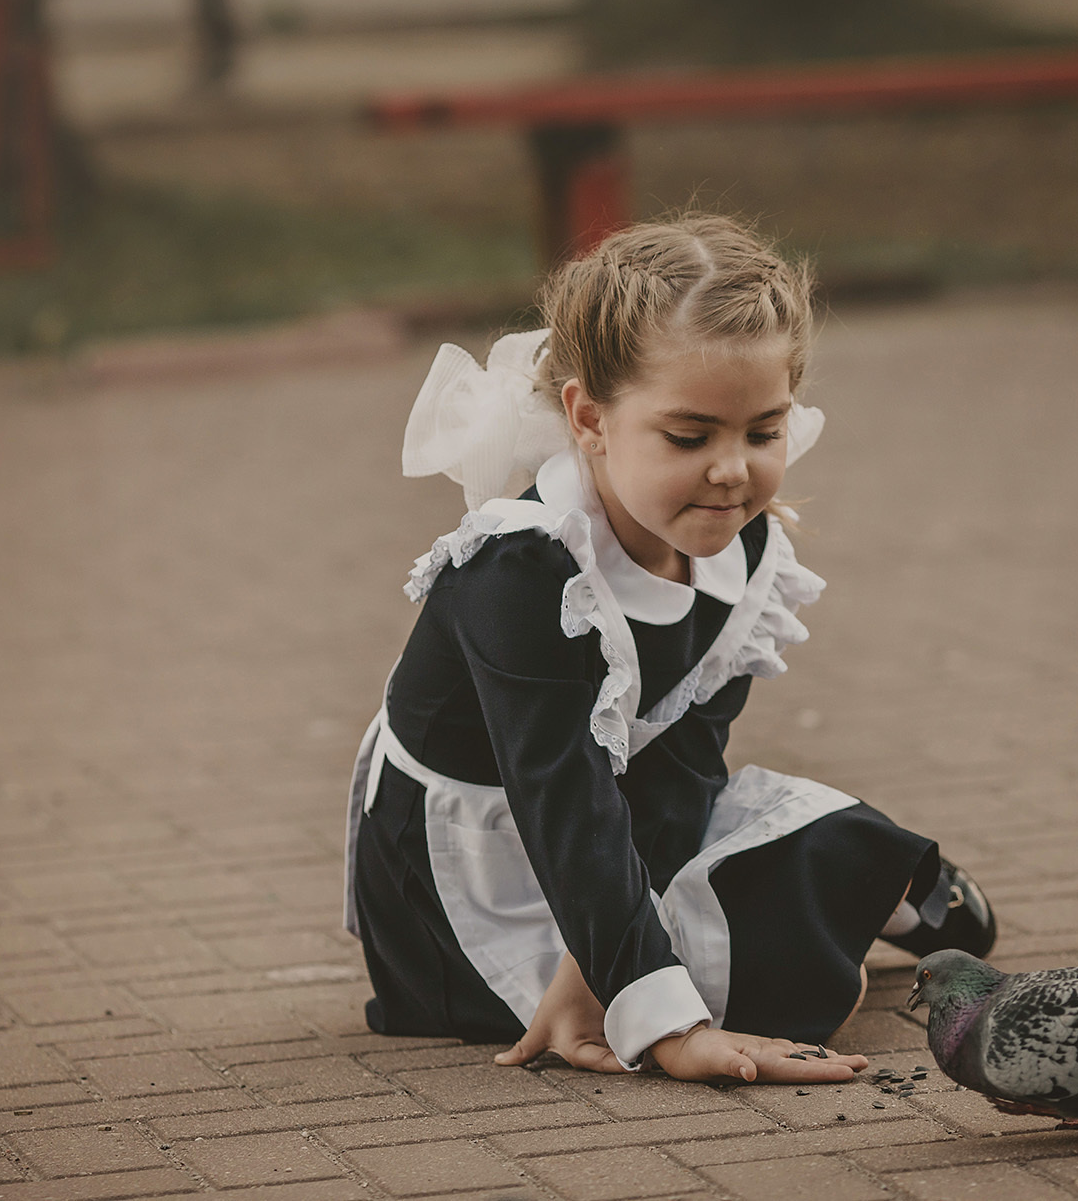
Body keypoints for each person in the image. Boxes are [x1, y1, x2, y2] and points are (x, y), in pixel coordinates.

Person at [345, 214, 995, 1083]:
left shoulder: (741, 545)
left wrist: (607, 962)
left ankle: (880, 884)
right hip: (474, 864)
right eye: (690, 437)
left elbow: (682, 763)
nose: (732, 470)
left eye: (762, 432)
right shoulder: (521, 571)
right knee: (720, 962)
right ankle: (868, 890)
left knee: (791, 869)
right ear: (590, 417)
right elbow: (561, 797)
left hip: (604, 820)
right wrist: (660, 1015)